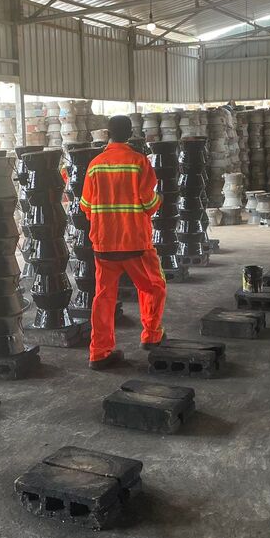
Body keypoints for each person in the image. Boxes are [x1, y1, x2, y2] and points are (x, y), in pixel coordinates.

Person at [79, 114, 167, 369]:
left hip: (104, 245)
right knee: (153, 287)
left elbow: (86, 206)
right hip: (135, 243)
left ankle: (99, 353)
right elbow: (149, 204)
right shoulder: (138, 162)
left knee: (103, 298)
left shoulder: (95, 165)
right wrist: (159, 199)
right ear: (130, 135)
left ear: (108, 134)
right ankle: (151, 336)